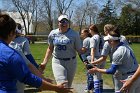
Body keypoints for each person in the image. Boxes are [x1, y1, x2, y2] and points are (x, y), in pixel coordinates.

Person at [0, 13, 72, 93]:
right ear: (11, 33)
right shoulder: (12, 54)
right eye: (15, 31)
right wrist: (55, 88)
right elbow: (28, 77)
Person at [88, 27, 138, 93]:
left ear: (111, 41)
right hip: (136, 76)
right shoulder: (126, 46)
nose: (107, 42)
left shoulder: (118, 52)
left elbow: (111, 71)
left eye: (108, 41)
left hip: (128, 78)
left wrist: (96, 69)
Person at [40, 14, 82, 88]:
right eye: (62, 21)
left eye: (66, 21)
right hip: (57, 62)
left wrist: (86, 57)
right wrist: (44, 62)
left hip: (71, 62)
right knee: (63, 85)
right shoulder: (53, 33)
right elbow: (50, 48)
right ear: (58, 23)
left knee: (68, 86)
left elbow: (79, 50)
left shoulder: (74, 34)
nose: (64, 23)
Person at [9, 23, 53, 93]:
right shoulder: (22, 41)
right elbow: (28, 56)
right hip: (20, 69)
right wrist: (37, 69)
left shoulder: (6, 43)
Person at [88, 24, 104, 93]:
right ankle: (100, 91)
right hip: (102, 58)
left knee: (96, 77)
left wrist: (92, 61)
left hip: (96, 58)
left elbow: (93, 50)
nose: (89, 31)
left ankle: (97, 91)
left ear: (92, 30)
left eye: (89, 30)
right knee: (100, 76)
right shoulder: (102, 37)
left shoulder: (93, 38)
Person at [80, 28, 93, 92]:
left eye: (82, 33)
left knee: (89, 73)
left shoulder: (86, 40)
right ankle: (92, 87)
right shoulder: (92, 39)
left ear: (86, 33)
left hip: (88, 58)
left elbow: (83, 51)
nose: (81, 34)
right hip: (93, 58)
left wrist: (78, 49)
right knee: (94, 74)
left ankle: (88, 88)